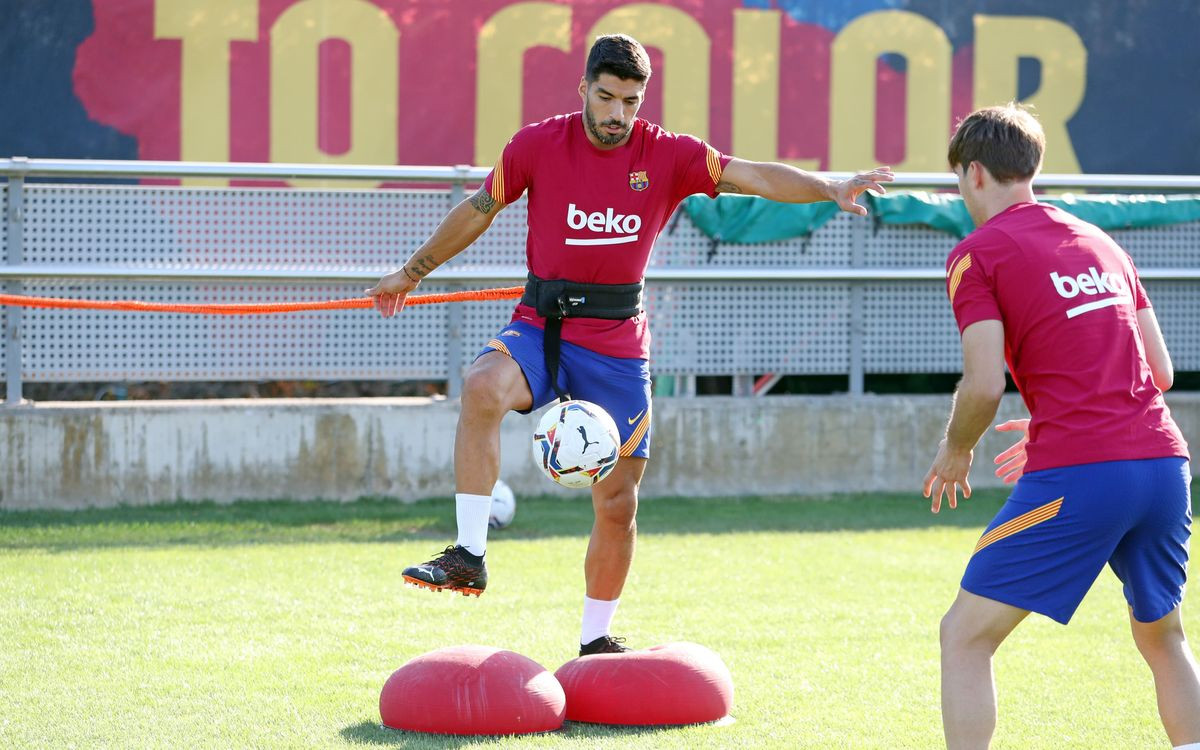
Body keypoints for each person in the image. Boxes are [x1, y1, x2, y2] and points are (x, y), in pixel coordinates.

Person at [367, 33, 892, 657]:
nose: (617, 114)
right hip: (540, 323)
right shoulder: (535, 144)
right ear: (584, 88)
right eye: (607, 97)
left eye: (631, 102)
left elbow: (752, 175)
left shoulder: (669, 154)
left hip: (617, 345)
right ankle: (469, 554)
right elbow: (481, 208)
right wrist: (412, 269)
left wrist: (826, 185)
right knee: (482, 386)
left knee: (618, 503)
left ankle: (594, 641)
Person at [922, 104, 1199, 749]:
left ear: (975, 173)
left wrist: (956, 448)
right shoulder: (1102, 242)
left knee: (964, 635)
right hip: (1164, 467)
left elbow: (986, 383)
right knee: (1164, 637)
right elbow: (1159, 372)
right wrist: (1057, 422)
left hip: (1082, 475)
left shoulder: (976, 254)